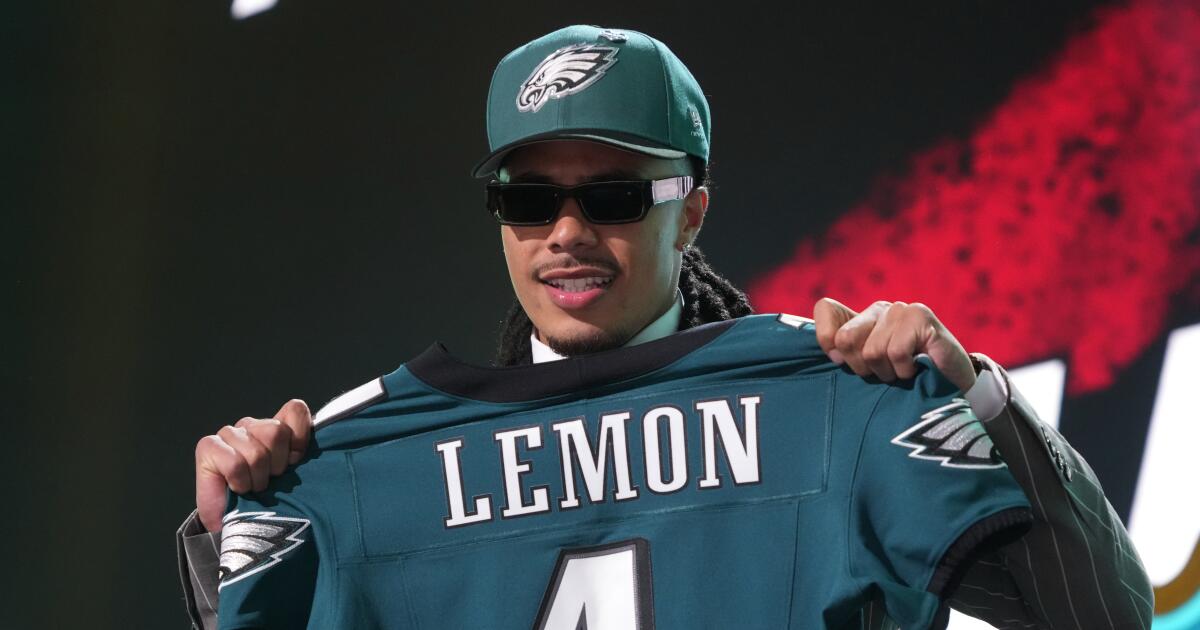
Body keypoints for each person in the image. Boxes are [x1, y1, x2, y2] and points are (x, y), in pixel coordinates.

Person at [177, 25, 1152, 629]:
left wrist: (975, 395)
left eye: (612, 196)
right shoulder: (358, 462)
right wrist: (237, 526)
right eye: (528, 199)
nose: (566, 235)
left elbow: (1102, 617)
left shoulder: (834, 402)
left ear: (690, 214)